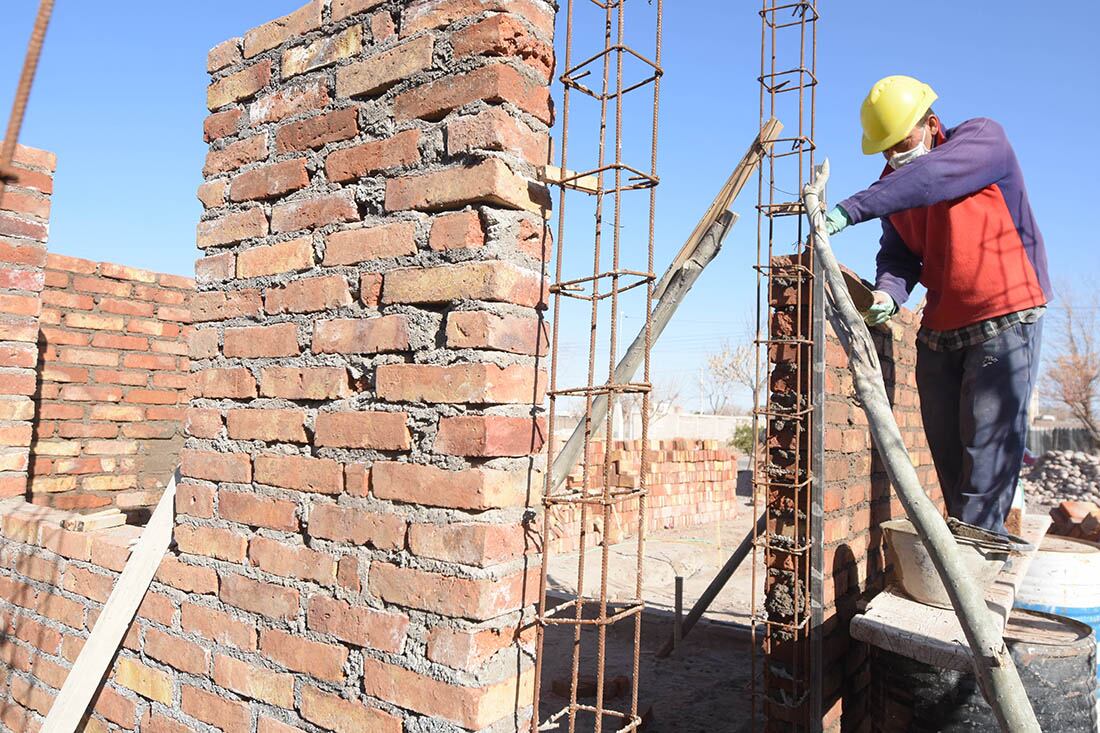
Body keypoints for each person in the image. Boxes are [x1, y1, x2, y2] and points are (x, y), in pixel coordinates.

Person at [824, 75, 1051, 534]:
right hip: (941, 329)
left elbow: (931, 178)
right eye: (884, 150)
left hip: (1005, 316)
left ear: (930, 124)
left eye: (900, 143)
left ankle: (977, 566)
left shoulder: (982, 140)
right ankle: (967, 556)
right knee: (948, 454)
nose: (893, 157)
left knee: (986, 456)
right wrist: (889, 291)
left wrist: (851, 208)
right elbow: (899, 254)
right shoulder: (894, 186)